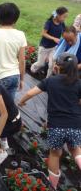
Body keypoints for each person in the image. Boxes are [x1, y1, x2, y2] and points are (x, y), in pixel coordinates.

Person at [19, 53, 81, 190]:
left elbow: (30, 93)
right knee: (76, 150)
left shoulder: (50, 81)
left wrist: (22, 101)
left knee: (55, 153)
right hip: (75, 124)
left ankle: (52, 184)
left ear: (57, 67)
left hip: (56, 126)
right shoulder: (79, 83)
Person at [0, 3, 27, 99]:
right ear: (16, 18)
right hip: (14, 75)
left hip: (0, 76)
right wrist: (22, 79)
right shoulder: (21, 35)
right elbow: (22, 60)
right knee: (9, 105)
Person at [31, 7, 68, 77]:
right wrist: (53, 38)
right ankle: (32, 69)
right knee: (40, 63)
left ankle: (48, 79)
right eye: (64, 17)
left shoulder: (62, 23)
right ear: (58, 15)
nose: (64, 19)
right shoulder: (49, 22)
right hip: (44, 47)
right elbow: (43, 33)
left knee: (51, 64)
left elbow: (64, 32)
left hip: (54, 47)